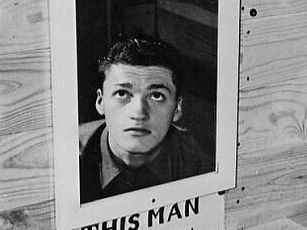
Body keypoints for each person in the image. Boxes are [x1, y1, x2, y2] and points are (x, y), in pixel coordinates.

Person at [79, 35, 213, 203]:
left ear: (177, 109)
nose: (139, 113)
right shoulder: (68, 159)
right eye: (122, 93)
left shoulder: (201, 164)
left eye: (156, 96)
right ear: (100, 102)